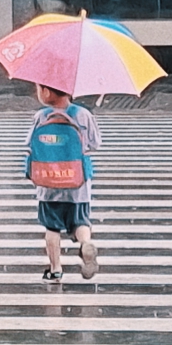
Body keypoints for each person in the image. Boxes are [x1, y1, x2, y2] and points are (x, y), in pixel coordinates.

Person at [25, 84, 102, 283]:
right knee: (81, 222)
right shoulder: (83, 114)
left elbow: (29, 146)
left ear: (47, 92)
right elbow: (94, 143)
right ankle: (85, 243)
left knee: (51, 228)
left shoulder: (41, 117)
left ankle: (55, 269)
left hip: (48, 186)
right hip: (78, 185)